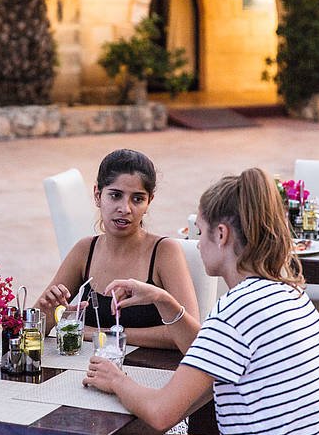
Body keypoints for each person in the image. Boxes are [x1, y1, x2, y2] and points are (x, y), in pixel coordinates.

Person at [83, 168, 319, 435]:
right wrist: (163, 300)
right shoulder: (288, 293)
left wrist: (116, 380)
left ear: (221, 234)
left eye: (200, 232)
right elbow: (205, 351)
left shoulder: (235, 312)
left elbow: (160, 412)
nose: (198, 245)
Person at [35, 149, 198, 349]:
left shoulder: (164, 251)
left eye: (137, 199)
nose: (125, 208)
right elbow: (34, 331)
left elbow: (189, 336)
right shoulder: (85, 250)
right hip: (87, 370)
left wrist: (100, 333)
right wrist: (46, 311)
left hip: (151, 373)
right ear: (97, 195)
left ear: (149, 202)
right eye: (115, 195)